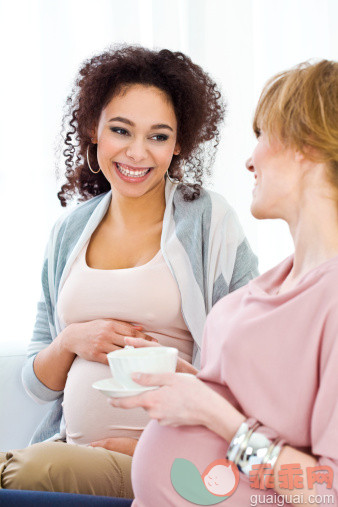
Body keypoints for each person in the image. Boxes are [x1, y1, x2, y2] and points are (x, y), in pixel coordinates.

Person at [0, 45, 258, 497]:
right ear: (93, 130)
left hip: (175, 463)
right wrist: (71, 340)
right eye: (121, 130)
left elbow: (252, 369)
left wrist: (150, 446)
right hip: (74, 451)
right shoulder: (69, 231)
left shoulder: (209, 221)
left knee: (16, 474)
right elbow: (37, 385)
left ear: (179, 143)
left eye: (158, 136)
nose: (137, 153)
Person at [109, 60, 338, 506]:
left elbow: (327, 491)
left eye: (262, 136)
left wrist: (212, 414)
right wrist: (189, 384)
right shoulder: (276, 281)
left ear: (305, 144)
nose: (250, 160)